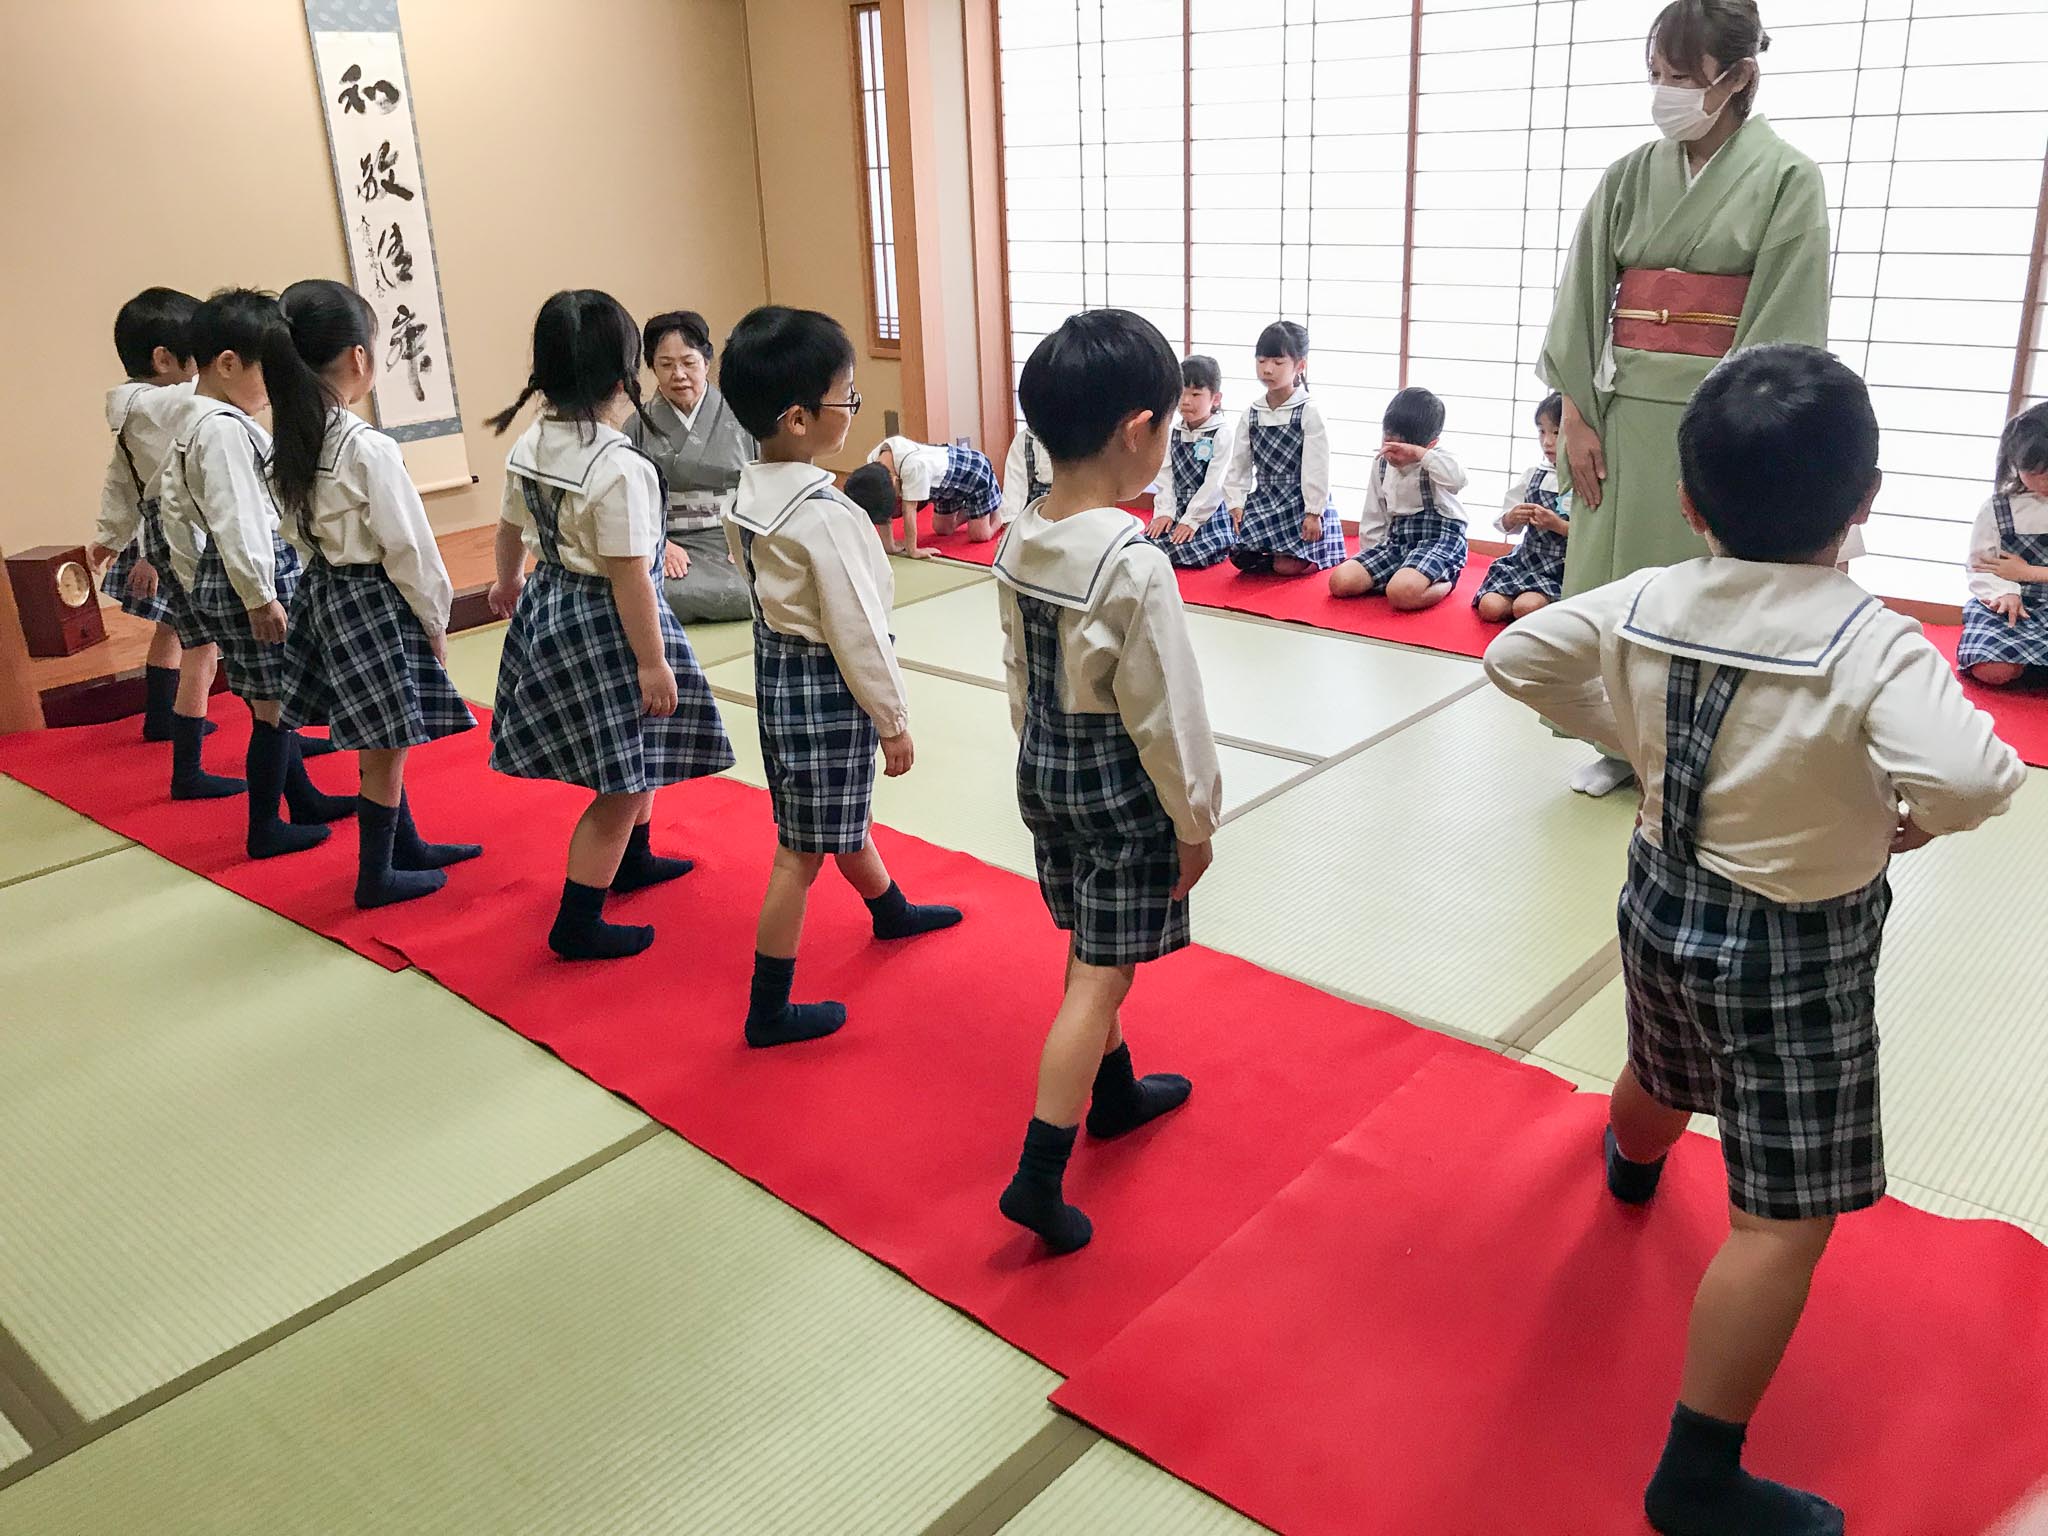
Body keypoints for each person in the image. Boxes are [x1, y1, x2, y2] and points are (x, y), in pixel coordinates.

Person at [1484, 345, 2024, 1536]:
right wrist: (1908, 822)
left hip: (1657, 897)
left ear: (1689, 502)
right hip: (1794, 949)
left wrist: (1629, 740)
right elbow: (1973, 778)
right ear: (1863, 499)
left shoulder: (1643, 597)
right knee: (1780, 1222)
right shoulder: (1871, 639)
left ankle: (1628, 1170)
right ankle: (1695, 1476)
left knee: (1661, 1056)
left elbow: (1512, 654)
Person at [1540, 0, 1830, 797]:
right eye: (1655, 75)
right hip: (1622, 418)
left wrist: (1739, 434)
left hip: (1722, 426)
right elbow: (1580, 301)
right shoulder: (1629, 175)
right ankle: (1617, 743)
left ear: (1737, 78)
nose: (1663, 92)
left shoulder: (1788, 179)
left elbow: (1785, 321)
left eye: (1681, 77)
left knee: (1709, 588)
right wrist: (1576, 414)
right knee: (1613, 583)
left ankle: (1704, 753)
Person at [992, 309, 1222, 1254]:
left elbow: (1016, 666)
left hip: (1045, 761)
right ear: (1137, 430)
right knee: (1101, 973)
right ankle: (1038, 1175)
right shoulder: (1133, 562)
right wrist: (1196, 822)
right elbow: (1167, 710)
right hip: (1118, 785)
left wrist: (1033, 746)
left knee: (1091, 937)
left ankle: (1117, 1091)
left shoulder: (1019, 535)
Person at [720, 306, 963, 1048]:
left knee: (826, 815)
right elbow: (858, 632)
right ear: (799, 418)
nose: (853, 408)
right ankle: (767, 1008)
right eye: (846, 397)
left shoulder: (747, 492)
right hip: (826, 686)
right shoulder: (826, 515)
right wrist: (893, 721)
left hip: (778, 673)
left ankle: (890, 910)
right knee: (799, 852)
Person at [486, 290, 735, 961]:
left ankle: (634, 860)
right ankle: (578, 921)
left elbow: (507, 528)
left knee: (635, 744)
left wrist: (508, 582)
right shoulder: (619, 466)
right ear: (625, 373)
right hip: (608, 622)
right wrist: (653, 662)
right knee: (621, 782)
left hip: (551, 605)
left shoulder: (533, 441)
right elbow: (631, 576)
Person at [267, 279, 480, 909]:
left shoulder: (292, 441)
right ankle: (376, 874)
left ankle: (404, 847)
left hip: (326, 593)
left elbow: (290, 532)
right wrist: (435, 620)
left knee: (381, 730)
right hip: (373, 601)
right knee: (386, 743)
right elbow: (409, 547)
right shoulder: (366, 446)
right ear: (359, 357)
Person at [158, 288, 356, 856]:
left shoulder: (194, 420)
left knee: (273, 700)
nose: (273, 390)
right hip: (250, 575)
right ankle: (265, 827)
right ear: (227, 364)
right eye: (267, 374)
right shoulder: (221, 430)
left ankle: (303, 798)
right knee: (271, 710)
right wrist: (258, 595)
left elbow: (174, 508)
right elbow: (237, 516)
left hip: (227, 572)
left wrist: (197, 575)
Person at [85, 288, 236, 784]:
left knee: (174, 629)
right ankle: (188, 767)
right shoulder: (165, 404)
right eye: (201, 357)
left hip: (159, 530)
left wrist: (111, 535)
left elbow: (120, 481)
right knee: (204, 646)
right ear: (164, 359)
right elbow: (209, 396)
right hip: (181, 531)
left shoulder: (131, 412)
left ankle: (160, 716)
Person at [618, 309, 758, 624]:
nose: (678, 374)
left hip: (730, 538)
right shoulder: (637, 426)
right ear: (652, 367)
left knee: (754, 587)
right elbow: (627, 500)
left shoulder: (742, 416)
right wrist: (661, 545)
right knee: (650, 593)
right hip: (669, 540)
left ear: (706, 362)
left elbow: (766, 481)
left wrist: (749, 538)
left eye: (688, 363)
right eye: (666, 365)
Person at [1223, 321, 1346, 576]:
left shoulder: (1309, 411)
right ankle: (1277, 558)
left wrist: (1314, 512)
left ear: (1300, 366)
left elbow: (1316, 466)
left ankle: (1302, 558)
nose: (1267, 369)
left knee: (1286, 565)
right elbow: (1239, 464)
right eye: (1261, 361)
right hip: (1266, 498)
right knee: (1239, 557)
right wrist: (1236, 502)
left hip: (1299, 502)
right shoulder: (1252, 413)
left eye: (1278, 362)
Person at [1328, 387, 1468, 610]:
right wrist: (1369, 554)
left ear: (1430, 444)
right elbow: (1374, 511)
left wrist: (1421, 455)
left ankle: (1446, 581)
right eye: (1388, 442)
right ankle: (1403, 576)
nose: (1393, 453)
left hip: (1439, 540)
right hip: (1397, 542)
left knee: (1402, 594)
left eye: (1403, 448)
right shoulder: (1382, 463)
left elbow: (1458, 480)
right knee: (1341, 581)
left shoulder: (1437, 460)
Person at [1958, 402, 2048, 688]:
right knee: (1991, 669)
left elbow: (2025, 572)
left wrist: (2028, 572)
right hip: (2013, 606)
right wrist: (2004, 591)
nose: (2044, 481)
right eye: (2034, 471)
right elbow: (1981, 565)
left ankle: (2031, 666)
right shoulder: (1998, 509)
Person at [1474, 392, 1571, 623]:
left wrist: (1557, 525)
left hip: (1561, 568)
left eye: (1556, 432)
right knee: (1489, 608)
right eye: (1542, 431)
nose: (1547, 442)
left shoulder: (1583, 481)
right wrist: (1512, 517)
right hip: (1526, 561)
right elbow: (1504, 524)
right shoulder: (1534, 474)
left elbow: (1592, 536)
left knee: (1525, 607)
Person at [1143, 355, 1236, 569]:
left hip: (1207, 511)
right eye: (1181, 393)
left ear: (1215, 398)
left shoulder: (1221, 433)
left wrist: (1192, 520)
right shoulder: (1174, 432)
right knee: (1149, 544)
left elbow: (1215, 483)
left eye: (1195, 394)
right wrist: (1164, 512)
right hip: (1176, 507)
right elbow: (1164, 475)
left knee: (1189, 550)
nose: (1185, 401)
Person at [855, 431, 1002, 554]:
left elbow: (909, 510)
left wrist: (913, 550)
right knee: (943, 529)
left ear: (894, 481)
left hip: (973, 471)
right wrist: (889, 546)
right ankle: (974, 510)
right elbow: (881, 504)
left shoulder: (913, 466)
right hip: (943, 488)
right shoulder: (874, 464)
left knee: (980, 535)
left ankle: (997, 514)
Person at [998, 425, 1054, 528]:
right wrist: (1012, 525)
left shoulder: (1080, 436)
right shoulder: (1023, 441)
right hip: (1033, 521)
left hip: (1074, 517)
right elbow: (1014, 489)